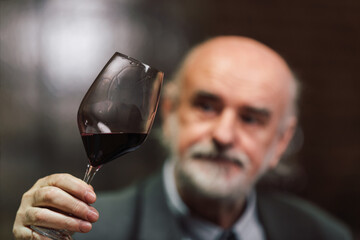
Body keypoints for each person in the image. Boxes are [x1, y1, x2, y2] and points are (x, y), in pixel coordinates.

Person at [13, 36, 352, 240]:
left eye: (251, 118)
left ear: (280, 142)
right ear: (170, 112)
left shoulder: (326, 234)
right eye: (206, 106)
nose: (223, 135)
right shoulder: (85, 232)